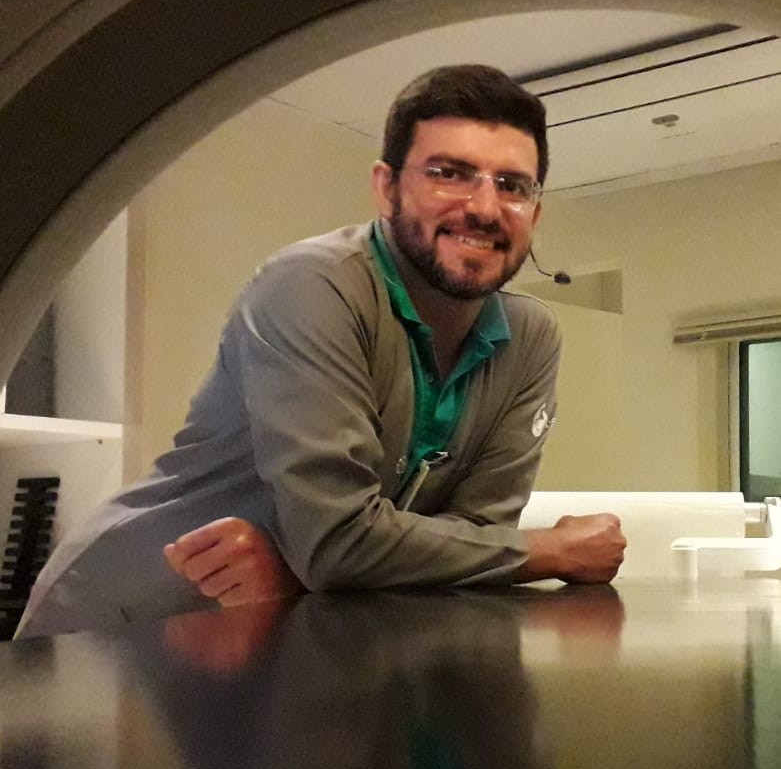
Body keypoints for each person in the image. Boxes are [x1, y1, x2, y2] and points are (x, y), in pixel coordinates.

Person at [17, 64, 625, 639]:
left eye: (511, 186)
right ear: (386, 188)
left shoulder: (530, 336)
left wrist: (315, 571)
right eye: (449, 173)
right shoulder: (313, 285)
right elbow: (341, 543)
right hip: (124, 622)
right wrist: (550, 549)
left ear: (534, 211)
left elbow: (478, 534)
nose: (485, 208)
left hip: (299, 628)